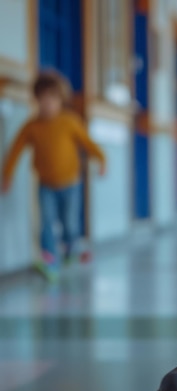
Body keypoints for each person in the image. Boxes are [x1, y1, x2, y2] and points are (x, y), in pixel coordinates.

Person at [0, 70, 106, 280]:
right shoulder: (32, 126)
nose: (47, 104)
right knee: (46, 223)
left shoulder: (69, 122)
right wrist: (7, 175)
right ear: (36, 100)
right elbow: (15, 150)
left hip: (71, 183)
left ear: (60, 100)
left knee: (69, 223)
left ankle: (70, 248)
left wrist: (101, 159)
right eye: (43, 99)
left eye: (52, 99)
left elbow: (88, 143)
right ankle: (51, 262)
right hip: (46, 184)